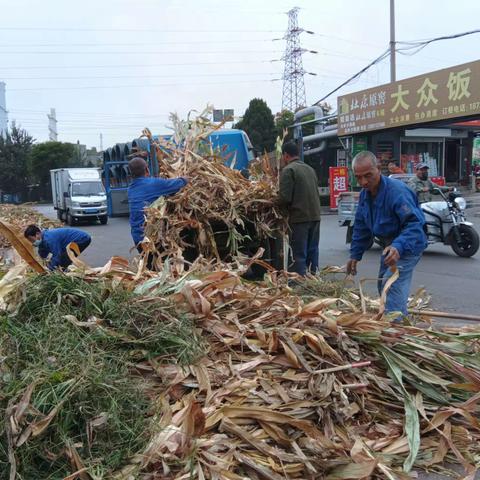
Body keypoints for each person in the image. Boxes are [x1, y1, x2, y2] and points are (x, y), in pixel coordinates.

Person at [346, 151, 427, 318]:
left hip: (408, 245)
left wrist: (399, 246)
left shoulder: (397, 192)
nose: (364, 182)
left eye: (368, 175)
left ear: (378, 169)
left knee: (391, 285)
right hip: (388, 247)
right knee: (382, 284)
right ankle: (390, 317)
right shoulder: (364, 196)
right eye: (359, 177)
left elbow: (414, 224)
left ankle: (396, 331)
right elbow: (361, 226)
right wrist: (355, 254)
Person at [278, 141, 322, 276]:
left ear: (285, 155)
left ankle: (299, 283)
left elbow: (285, 198)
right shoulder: (310, 169)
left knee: (298, 253)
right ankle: (313, 278)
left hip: (299, 218)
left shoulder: (289, 170)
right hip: (315, 216)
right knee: (312, 250)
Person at [127, 157, 188, 249]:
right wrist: (185, 179)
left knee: (147, 261)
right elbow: (178, 184)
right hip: (152, 236)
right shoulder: (154, 183)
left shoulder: (130, 189)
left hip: (136, 236)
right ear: (147, 169)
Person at [24, 224, 91, 271]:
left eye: (32, 240)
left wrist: (50, 269)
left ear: (38, 233)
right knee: (60, 261)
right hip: (77, 239)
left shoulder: (49, 239)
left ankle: (66, 275)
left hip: (82, 239)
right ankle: (65, 272)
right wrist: (40, 262)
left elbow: (57, 255)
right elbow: (42, 252)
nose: (32, 243)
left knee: (63, 260)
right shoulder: (42, 239)